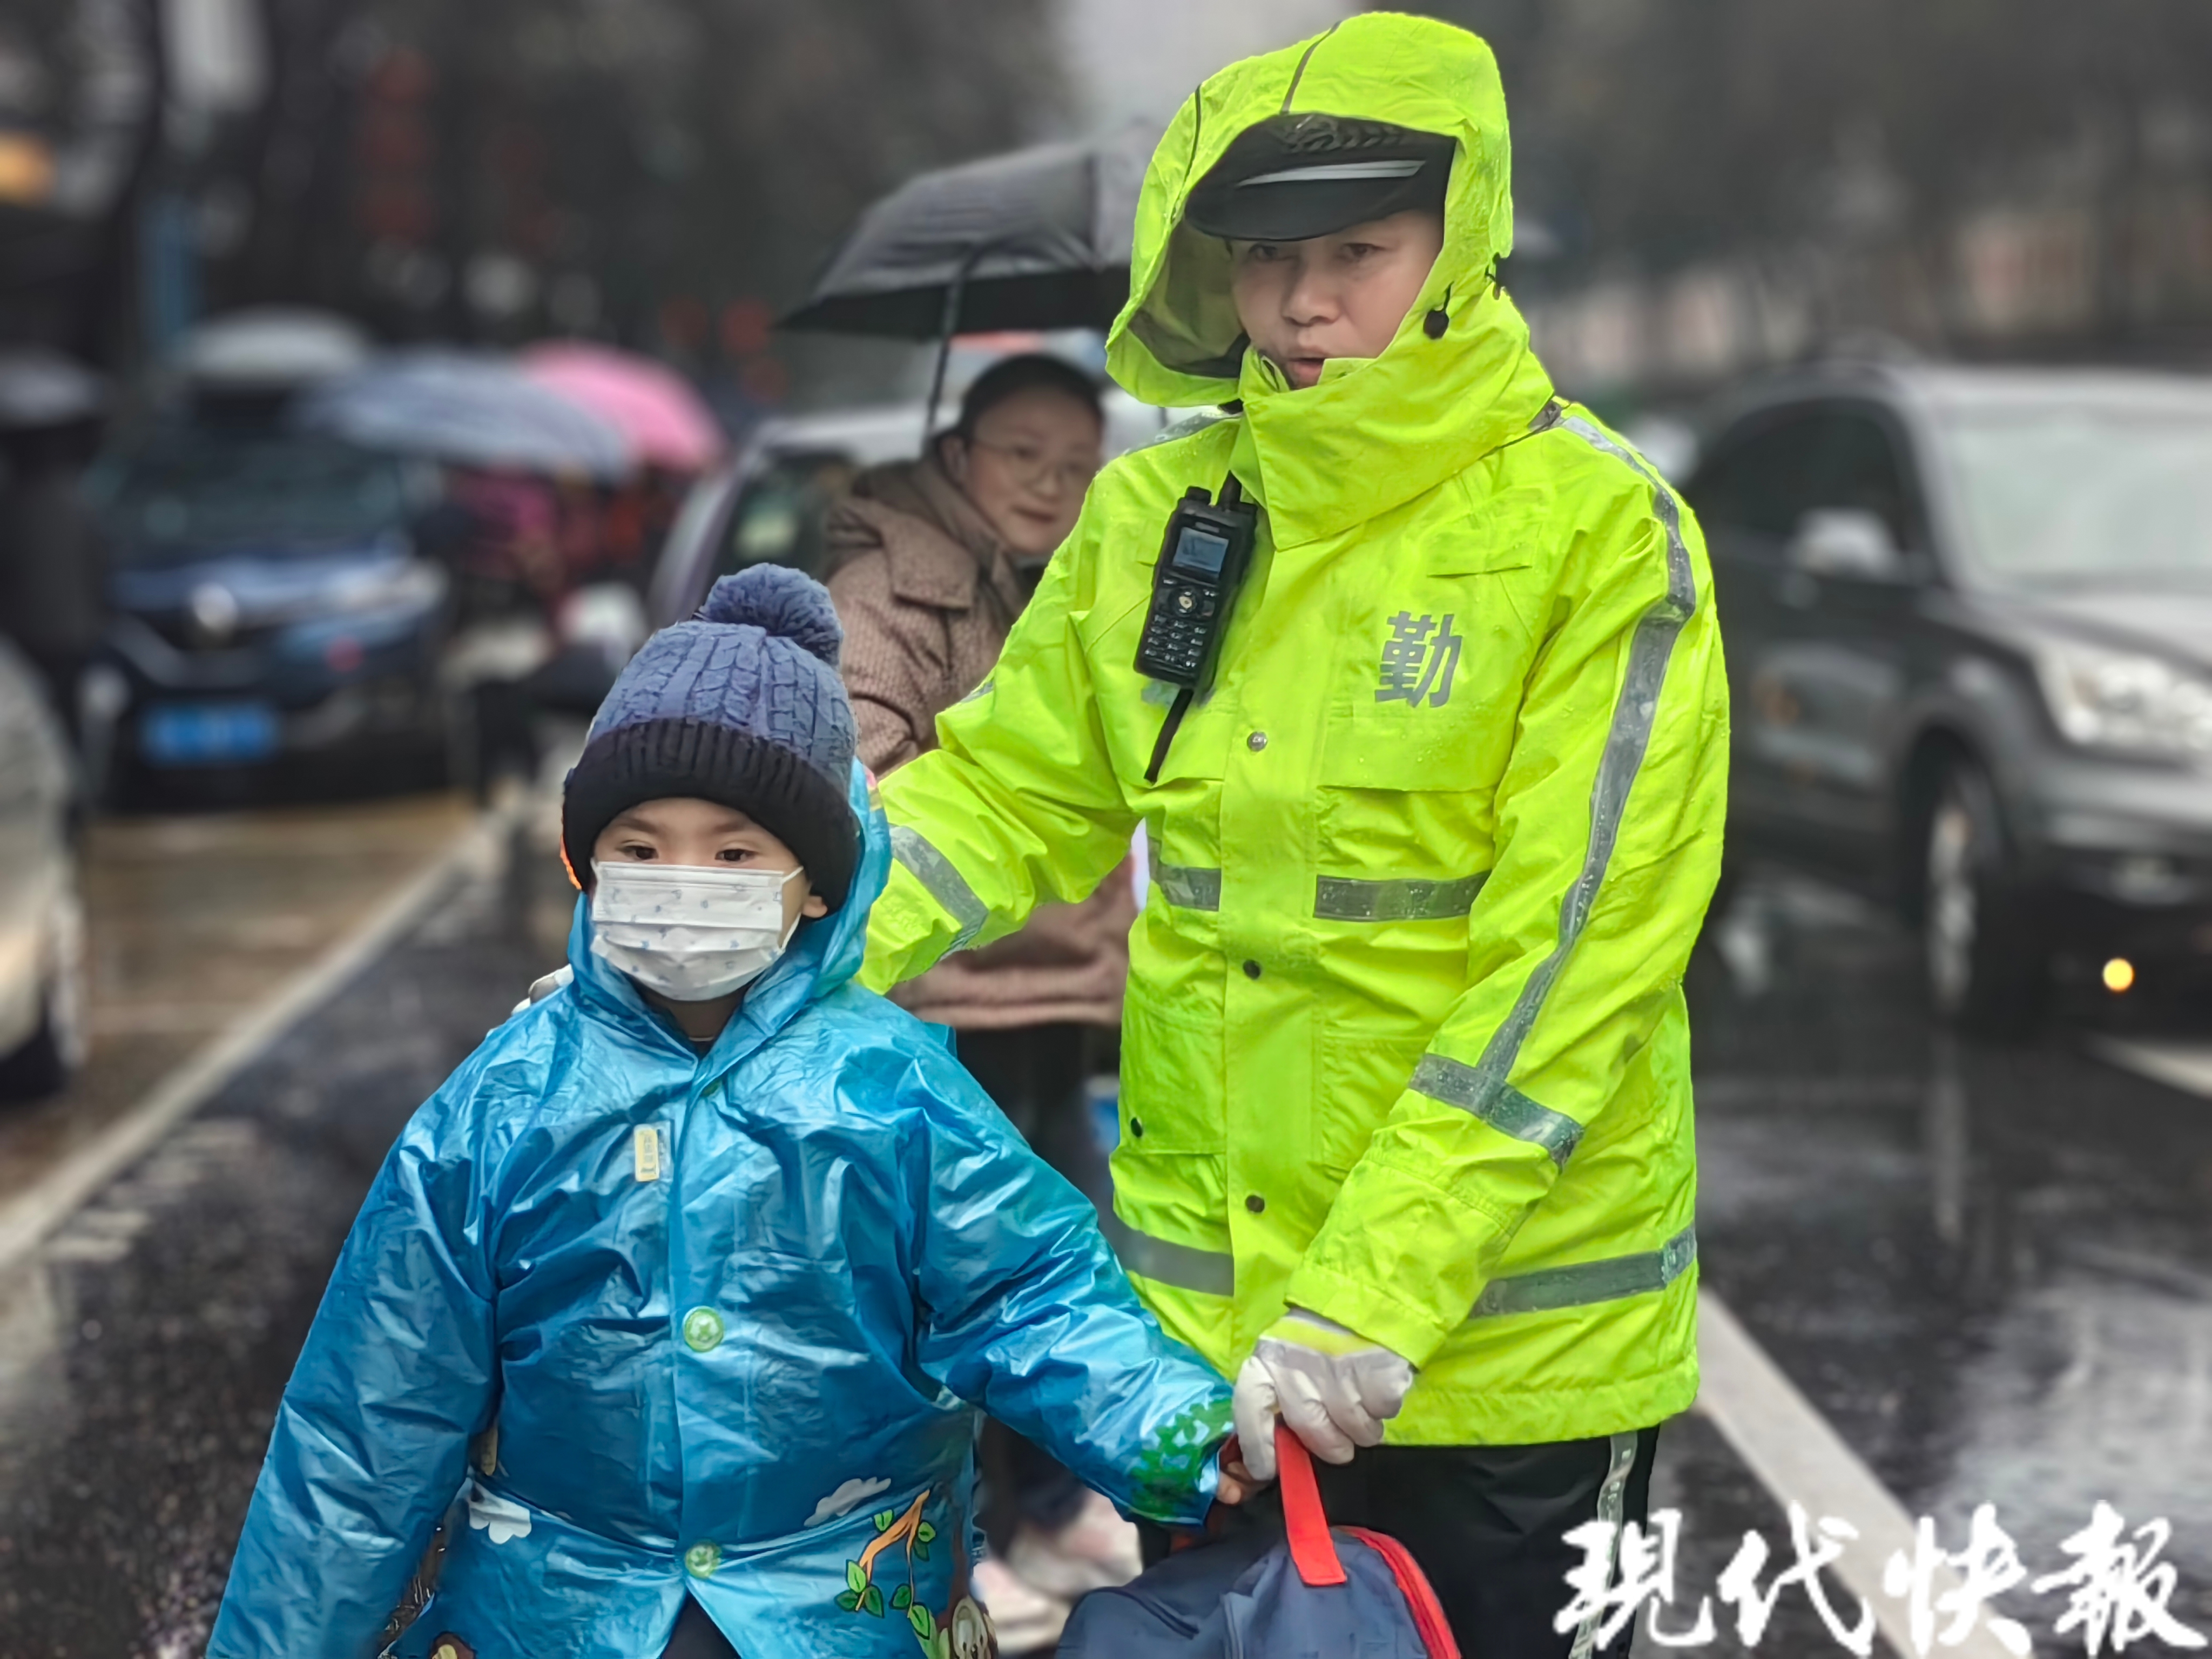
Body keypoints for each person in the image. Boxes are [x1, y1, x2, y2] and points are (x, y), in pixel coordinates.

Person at [855, 15, 1729, 1656]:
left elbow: (1578, 958)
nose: (1304, 301)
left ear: (1461, 241)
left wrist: (1372, 1303)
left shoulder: (1598, 528)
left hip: (1512, 1369)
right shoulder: (1160, 517)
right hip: (1221, 1359)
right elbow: (1003, 795)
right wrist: (767, 941)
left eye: (1356, 250)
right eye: (1264, 260)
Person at [206, 565, 1243, 1659]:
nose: (683, 880)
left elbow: (1031, 1299)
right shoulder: (503, 1107)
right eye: (641, 849)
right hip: (553, 1616)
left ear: (819, 884)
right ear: (585, 864)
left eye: (735, 853)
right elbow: (366, 1433)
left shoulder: (892, 1092)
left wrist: (1180, 1435)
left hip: (848, 1611)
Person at [824, 355, 1138, 1630]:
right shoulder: (878, 599)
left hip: (1053, 989)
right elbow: (860, 800)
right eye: (1024, 457)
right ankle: (963, 1545)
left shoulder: (1068, 578)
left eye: (1074, 465)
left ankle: (1051, 1507)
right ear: (960, 454)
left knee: (1064, 1251)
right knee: (949, 1283)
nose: (1052, 487)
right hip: (946, 995)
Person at [0, 416, 110, 745]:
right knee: (68, 712)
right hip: (74, 631)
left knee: (36, 715)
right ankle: (74, 781)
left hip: (29, 634)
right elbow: (99, 561)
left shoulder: (13, 504)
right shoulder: (77, 499)